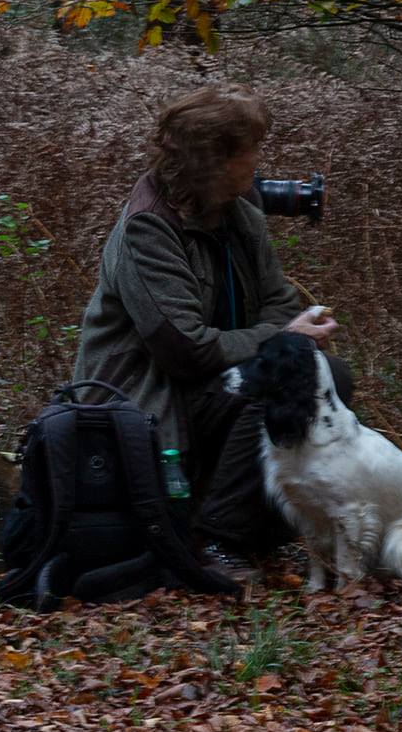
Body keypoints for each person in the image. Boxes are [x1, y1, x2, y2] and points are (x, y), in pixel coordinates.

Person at [72, 83, 343, 577]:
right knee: (276, 382)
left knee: (327, 373)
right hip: (148, 397)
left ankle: (265, 523)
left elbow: (280, 299)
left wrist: (282, 334)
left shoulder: (240, 211)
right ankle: (216, 542)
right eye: (251, 150)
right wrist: (281, 335)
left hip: (212, 380)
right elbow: (186, 349)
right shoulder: (147, 229)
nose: (260, 160)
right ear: (213, 160)